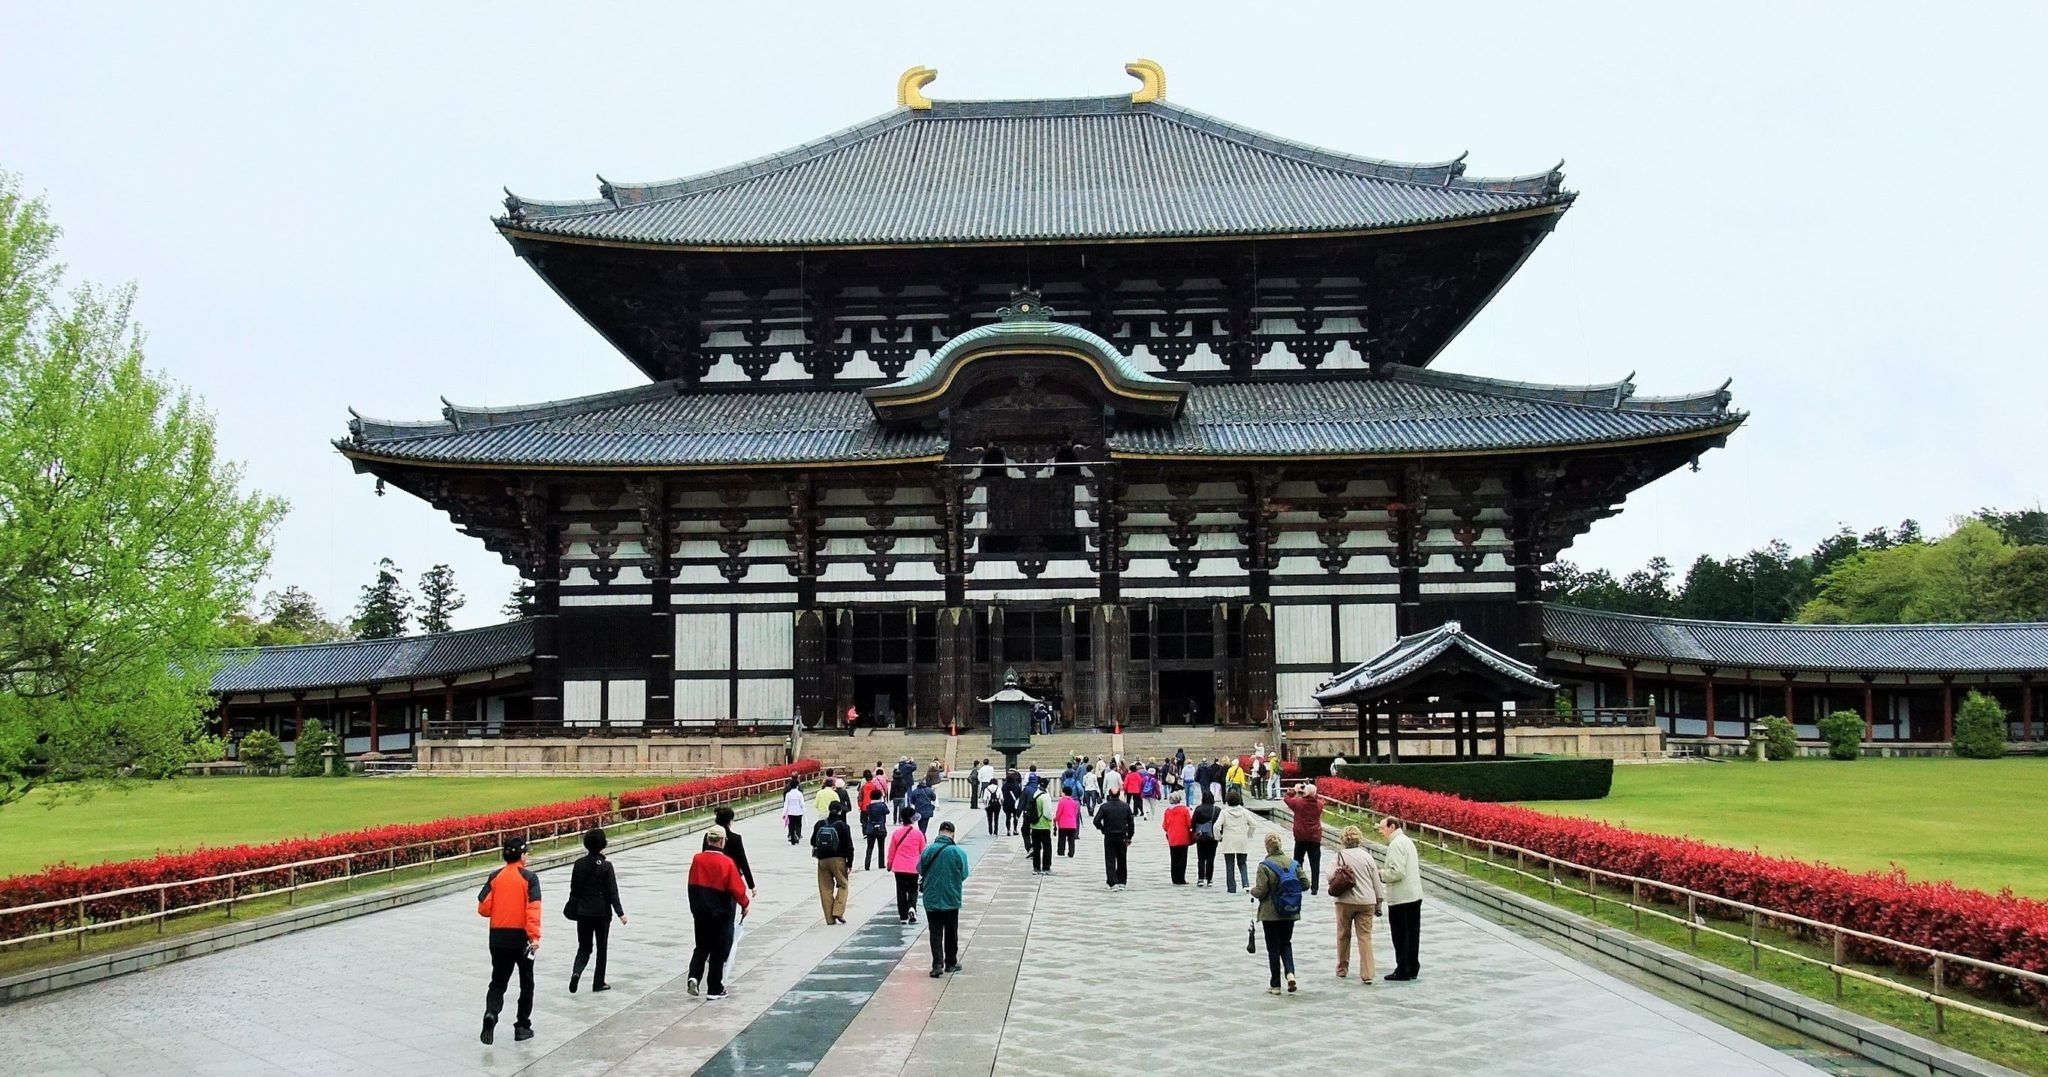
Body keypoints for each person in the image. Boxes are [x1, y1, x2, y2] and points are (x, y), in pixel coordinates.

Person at [477, 837, 541, 1044]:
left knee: (498, 981)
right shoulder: (529, 878)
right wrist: (535, 937)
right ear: (522, 855)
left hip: (497, 937)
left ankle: (491, 1013)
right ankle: (522, 1025)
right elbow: (533, 909)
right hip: (522, 937)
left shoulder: (495, 877)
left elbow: (483, 908)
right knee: (526, 982)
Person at [687, 825, 750, 1001]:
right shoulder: (727, 862)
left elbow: (691, 884)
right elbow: (737, 888)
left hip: (700, 912)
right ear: (722, 841)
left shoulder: (697, 859)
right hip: (720, 913)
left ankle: (694, 976)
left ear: (708, 840)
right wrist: (744, 903)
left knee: (701, 946)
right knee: (718, 950)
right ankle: (714, 988)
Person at [566, 827, 625, 994]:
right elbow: (612, 892)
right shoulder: (606, 866)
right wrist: (620, 913)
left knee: (584, 947)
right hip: (602, 913)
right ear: (603, 845)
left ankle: (577, 972)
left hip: (583, 912)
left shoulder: (579, 864)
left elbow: (574, 889)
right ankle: (598, 982)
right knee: (602, 948)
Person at [1330, 824, 1387, 983]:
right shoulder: (1367, 857)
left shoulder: (1339, 856)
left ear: (1343, 839)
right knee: (1365, 937)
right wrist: (1379, 901)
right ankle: (1368, 974)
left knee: (1343, 934)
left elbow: (1329, 876)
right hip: (1367, 902)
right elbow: (1376, 881)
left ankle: (1342, 968)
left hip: (1344, 901)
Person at [1250, 831, 1303, 995]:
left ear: (1267, 847)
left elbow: (1261, 891)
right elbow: (1306, 884)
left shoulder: (1264, 866)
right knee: (1286, 942)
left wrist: (1252, 891)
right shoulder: (1293, 864)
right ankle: (1290, 973)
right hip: (1290, 911)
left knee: (1273, 947)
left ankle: (1275, 984)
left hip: (1270, 913)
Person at [918, 820, 971, 976]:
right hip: (951, 897)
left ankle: (937, 965)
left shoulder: (928, 851)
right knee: (951, 931)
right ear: (953, 834)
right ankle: (951, 962)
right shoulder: (958, 852)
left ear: (939, 832)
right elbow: (964, 873)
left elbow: (920, 869)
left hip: (931, 898)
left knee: (935, 932)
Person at [1379, 816, 1423, 981]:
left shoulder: (1396, 844)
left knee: (1400, 935)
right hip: (1413, 894)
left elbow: (1397, 872)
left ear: (1391, 826)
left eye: (1382, 828)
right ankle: (1412, 967)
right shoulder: (1406, 841)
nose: (1381, 832)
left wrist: (1381, 874)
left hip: (1401, 897)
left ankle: (1403, 969)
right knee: (1413, 933)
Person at [812, 800, 855, 925]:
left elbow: (813, 841)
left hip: (822, 860)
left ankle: (829, 919)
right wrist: (850, 862)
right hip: (838, 859)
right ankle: (838, 910)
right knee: (843, 885)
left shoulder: (820, 824)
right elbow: (849, 846)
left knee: (825, 889)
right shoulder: (843, 826)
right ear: (840, 811)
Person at [1281, 782, 1325, 895]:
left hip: (1300, 837)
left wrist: (1295, 790)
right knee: (1315, 863)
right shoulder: (1319, 804)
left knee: (1297, 861)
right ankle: (1315, 887)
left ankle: (1298, 882)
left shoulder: (1298, 803)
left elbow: (1286, 798)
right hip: (1314, 837)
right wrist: (1311, 793)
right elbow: (1318, 798)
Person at [886, 805, 927, 925]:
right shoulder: (919, 834)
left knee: (901, 891)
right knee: (913, 889)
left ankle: (903, 916)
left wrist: (889, 864)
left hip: (899, 867)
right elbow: (923, 851)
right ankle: (912, 907)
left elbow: (891, 851)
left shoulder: (896, 833)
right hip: (913, 867)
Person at [1215, 788, 1258, 894]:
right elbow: (1253, 824)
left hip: (1228, 840)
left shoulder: (1224, 812)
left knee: (1230, 865)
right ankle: (1246, 884)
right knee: (1242, 863)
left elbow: (1216, 826)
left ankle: (1231, 888)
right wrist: (1249, 834)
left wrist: (1218, 837)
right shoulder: (1244, 812)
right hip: (1241, 840)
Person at [1092, 788, 1134, 891]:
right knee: (1122, 859)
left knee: (1110, 859)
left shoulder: (1105, 807)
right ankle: (1122, 881)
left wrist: (1102, 829)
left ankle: (1112, 882)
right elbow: (1131, 823)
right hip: (1122, 836)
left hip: (1109, 835)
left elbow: (1096, 821)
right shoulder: (1125, 806)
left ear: (1109, 795)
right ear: (1119, 794)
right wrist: (1129, 836)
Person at [1160, 790, 1194, 885]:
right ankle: (1181, 878)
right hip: (1183, 838)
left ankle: (1174, 878)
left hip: (1172, 838)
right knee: (1182, 859)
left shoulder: (1167, 811)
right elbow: (1189, 824)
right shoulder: (1184, 810)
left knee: (1174, 858)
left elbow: (1164, 826)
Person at [1190, 789, 1220, 887]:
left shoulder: (1198, 809)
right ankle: (1209, 879)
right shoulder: (1217, 809)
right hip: (1213, 836)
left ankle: (1200, 878)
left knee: (1201, 858)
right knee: (1211, 858)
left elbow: (1193, 822)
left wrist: (1195, 831)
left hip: (1201, 836)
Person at [1028, 779, 1055, 875]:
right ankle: (1046, 867)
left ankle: (1036, 868)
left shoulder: (1035, 794)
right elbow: (1047, 813)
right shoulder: (1045, 796)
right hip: (1044, 826)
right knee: (1047, 847)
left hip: (1034, 825)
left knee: (1036, 848)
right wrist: (1052, 818)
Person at [862, 790, 891, 871]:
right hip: (881, 827)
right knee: (881, 847)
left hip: (870, 828)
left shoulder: (869, 806)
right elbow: (887, 812)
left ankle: (867, 864)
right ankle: (881, 864)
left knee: (870, 847)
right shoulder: (882, 805)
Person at [1054, 784, 1082, 858]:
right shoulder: (1074, 802)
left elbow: (1059, 812)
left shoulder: (1061, 802)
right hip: (1072, 824)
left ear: (1064, 793)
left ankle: (1061, 851)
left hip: (1063, 823)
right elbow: (1075, 812)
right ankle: (1071, 852)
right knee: (1071, 840)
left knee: (1062, 839)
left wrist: (1055, 819)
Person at [782, 776, 806, 845]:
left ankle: (792, 836)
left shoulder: (788, 794)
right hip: (798, 812)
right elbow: (802, 803)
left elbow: (786, 804)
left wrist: (784, 813)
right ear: (797, 786)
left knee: (791, 825)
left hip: (791, 812)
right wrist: (803, 810)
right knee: (798, 824)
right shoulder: (799, 794)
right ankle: (798, 835)